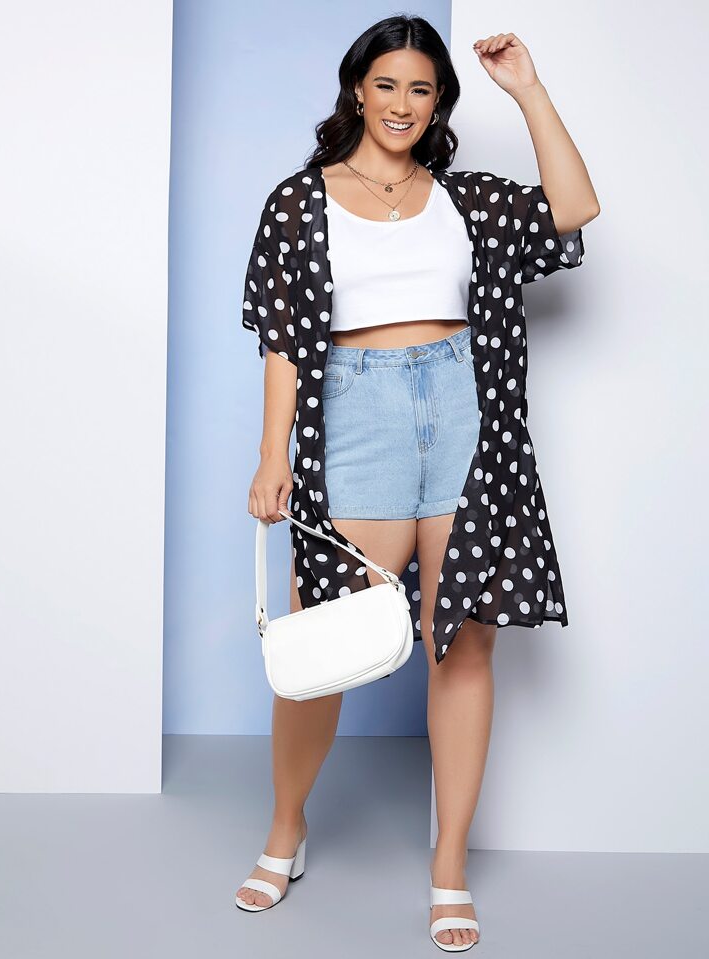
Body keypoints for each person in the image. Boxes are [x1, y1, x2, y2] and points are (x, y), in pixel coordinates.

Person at [235, 14, 599, 952]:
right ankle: (286, 829)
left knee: (462, 643)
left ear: (440, 103)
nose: (403, 104)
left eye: (422, 89)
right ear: (358, 90)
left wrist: (528, 89)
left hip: (465, 411)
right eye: (388, 84)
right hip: (355, 415)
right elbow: (282, 338)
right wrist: (274, 454)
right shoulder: (300, 200)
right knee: (325, 641)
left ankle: (449, 866)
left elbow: (573, 208)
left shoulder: (466, 198)